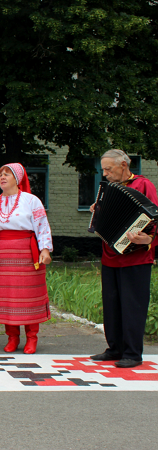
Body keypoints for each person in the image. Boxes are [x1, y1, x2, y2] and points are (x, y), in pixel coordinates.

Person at [90, 149, 158, 368]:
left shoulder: (143, 185)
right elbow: (106, 216)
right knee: (112, 304)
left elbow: (155, 216)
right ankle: (114, 348)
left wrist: (148, 239)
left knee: (132, 305)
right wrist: (96, 211)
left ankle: (132, 353)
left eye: (108, 169)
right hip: (111, 254)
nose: (106, 174)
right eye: (103, 170)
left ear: (123, 166)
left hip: (136, 257)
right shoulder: (108, 188)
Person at [0, 163, 52, 354]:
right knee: (7, 297)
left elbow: (42, 226)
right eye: (0, 174)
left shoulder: (31, 200)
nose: (2, 177)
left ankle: (31, 338)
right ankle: (12, 337)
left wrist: (45, 249)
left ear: (17, 178)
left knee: (28, 296)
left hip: (26, 252)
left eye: (7, 174)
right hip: (1, 254)